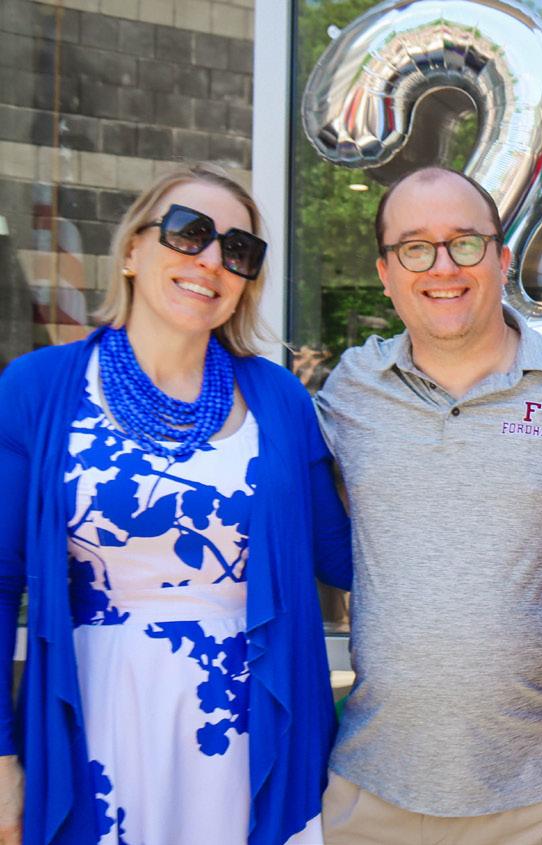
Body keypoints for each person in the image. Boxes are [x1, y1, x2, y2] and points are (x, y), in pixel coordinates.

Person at [0, 163, 352, 845]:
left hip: (247, 721)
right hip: (98, 715)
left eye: (239, 249)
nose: (212, 260)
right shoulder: (39, 388)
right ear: (133, 249)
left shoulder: (279, 398)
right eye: (189, 233)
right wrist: (1, 759)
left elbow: (342, 556)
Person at [315, 166, 542, 844]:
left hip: (536, 798)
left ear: (502, 258)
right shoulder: (350, 390)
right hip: (371, 790)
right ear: (385, 273)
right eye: (415, 247)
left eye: (465, 242)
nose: (443, 266)